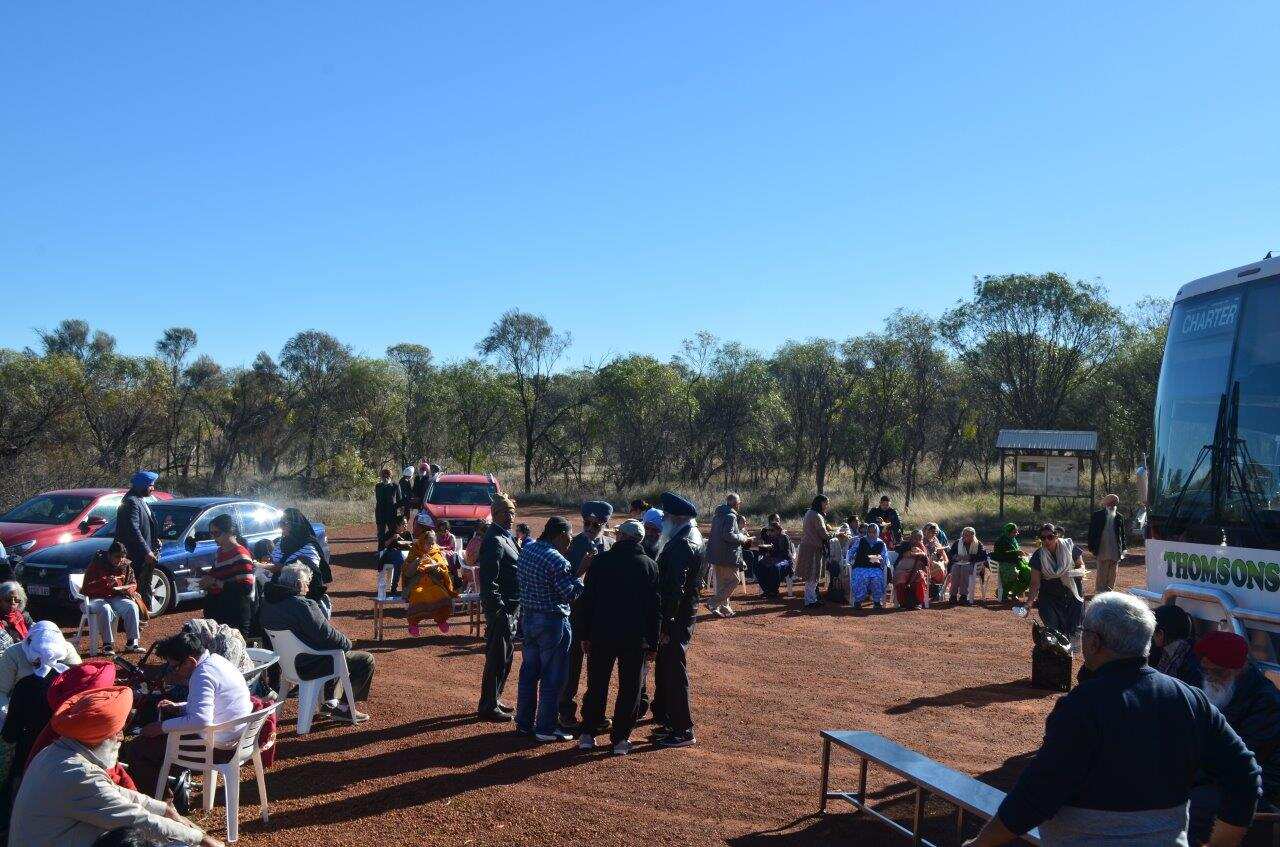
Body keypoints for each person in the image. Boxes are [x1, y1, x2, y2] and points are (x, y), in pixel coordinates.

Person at [965, 592, 1261, 847]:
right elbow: (1244, 773)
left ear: (1093, 642)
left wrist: (981, 843)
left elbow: (1037, 794)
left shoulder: (1082, 707)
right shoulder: (1190, 698)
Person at [12, 685, 221, 847]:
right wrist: (199, 838)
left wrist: (164, 809)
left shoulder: (59, 752)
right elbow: (137, 819)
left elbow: (115, 793)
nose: (122, 737)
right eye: (118, 731)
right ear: (97, 737)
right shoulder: (76, 773)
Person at [128, 631, 253, 797]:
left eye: (174, 667)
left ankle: (165, 804)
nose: (173, 671)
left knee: (137, 750)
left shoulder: (202, 675)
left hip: (219, 747)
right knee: (160, 731)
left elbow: (201, 721)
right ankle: (167, 787)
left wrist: (160, 728)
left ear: (190, 661)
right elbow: (215, 704)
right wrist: (180, 707)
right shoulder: (217, 661)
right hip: (236, 738)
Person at [577, 520, 661, 755]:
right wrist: (653, 642)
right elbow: (655, 608)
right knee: (630, 688)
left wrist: (585, 633)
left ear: (622, 537)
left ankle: (588, 733)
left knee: (597, 684)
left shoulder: (601, 561)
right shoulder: (650, 566)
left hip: (601, 633)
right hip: (635, 638)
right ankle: (621, 738)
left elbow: (588, 600)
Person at [1189, 631, 1280, 844]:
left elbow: (1239, 763)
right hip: (1216, 774)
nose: (1209, 678)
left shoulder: (1265, 702)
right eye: (1206, 671)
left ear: (1238, 670)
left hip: (1257, 782)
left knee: (1193, 806)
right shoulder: (1212, 688)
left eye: (1216, 673)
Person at [260, 563, 373, 724]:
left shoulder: (268, 603)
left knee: (335, 652)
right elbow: (327, 635)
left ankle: (331, 703)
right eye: (307, 583)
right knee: (364, 660)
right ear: (299, 583)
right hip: (310, 664)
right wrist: (348, 643)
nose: (308, 588)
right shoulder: (303, 605)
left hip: (286, 665)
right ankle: (344, 708)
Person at [515, 516, 587, 742]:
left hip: (529, 619)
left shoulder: (528, 550)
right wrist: (581, 573)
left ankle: (524, 723)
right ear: (561, 534)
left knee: (528, 674)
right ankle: (545, 728)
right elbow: (571, 594)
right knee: (552, 677)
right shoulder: (557, 560)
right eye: (569, 536)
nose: (571, 541)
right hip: (552, 621)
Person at [651, 492, 704, 749]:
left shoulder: (683, 543)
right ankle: (673, 722)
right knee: (669, 668)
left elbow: (675, 589)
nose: (664, 521)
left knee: (674, 669)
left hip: (677, 617)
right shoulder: (687, 536)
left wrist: (665, 624)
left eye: (667, 517)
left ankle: (683, 729)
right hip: (683, 614)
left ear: (676, 517)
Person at [559, 501, 613, 732]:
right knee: (572, 666)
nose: (591, 527)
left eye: (596, 523)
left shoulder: (610, 545)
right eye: (587, 522)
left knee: (597, 668)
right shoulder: (573, 545)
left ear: (605, 523)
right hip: (576, 612)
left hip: (601, 615)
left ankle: (593, 713)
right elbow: (565, 579)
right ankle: (565, 711)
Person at [477, 493, 521, 722]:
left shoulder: (507, 537)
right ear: (495, 514)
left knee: (506, 656)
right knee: (496, 656)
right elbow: (488, 579)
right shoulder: (493, 539)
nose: (510, 517)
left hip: (513, 607)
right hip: (501, 610)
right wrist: (497, 610)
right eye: (506, 513)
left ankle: (496, 697)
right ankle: (488, 705)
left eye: (512, 512)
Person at [1027, 523, 1088, 650]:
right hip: (1049, 598)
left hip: (1072, 595)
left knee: (1074, 633)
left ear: (1056, 536)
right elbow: (1035, 583)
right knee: (1053, 632)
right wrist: (1029, 603)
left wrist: (1072, 573)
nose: (1046, 540)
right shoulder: (1038, 556)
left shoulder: (1070, 548)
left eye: (1049, 537)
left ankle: (1068, 657)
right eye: (1043, 538)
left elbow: (1081, 566)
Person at [82, 543, 145, 656]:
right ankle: (107, 644)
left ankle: (132, 642)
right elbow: (87, 588)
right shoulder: (97, 564)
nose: (119, 560)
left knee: (131, 606)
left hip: (116, 596)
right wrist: (106, 583)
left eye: (122, 557)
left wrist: (125, 588)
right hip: (97, 598)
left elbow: (133, 583)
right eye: (117, 556)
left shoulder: (126, 565)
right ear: (109, 555)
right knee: (105, 608)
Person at [199, 513, 254, 636]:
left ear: (229, 532)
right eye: (212, 534)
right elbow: (217, 574)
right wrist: (201, 575)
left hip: (234, 615)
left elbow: (245, 588)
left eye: (216, 533)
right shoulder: (220, 552)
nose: (214, 538)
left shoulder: (240, 554)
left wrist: (214, 582)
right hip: (218, 611)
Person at [114, 471, 160, 611]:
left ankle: (142, 618)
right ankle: (137, 621)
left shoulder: (139, 499)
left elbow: (144, 526)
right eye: (151, 485)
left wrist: (154, 540)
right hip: (135, 556)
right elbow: (133, 529)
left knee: (143, 588)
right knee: (135, 589)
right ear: (142, 485)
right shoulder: (131, 502)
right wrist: (146, 550)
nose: (153, 488)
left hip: (141, 556)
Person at [276, 508, 333, 614]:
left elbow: (305, 572)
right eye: (280, 523)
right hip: (280, 593)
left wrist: (272, 567)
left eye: (284, 523)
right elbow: (274, 562)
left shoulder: (309, 546)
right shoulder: (280, 542)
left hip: (304, 599)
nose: (281, 527)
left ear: (295, 525)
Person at [404, 528, 457, 636]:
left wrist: (434, 566)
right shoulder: (414, 551)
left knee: (441, 594)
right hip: (417, 583)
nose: (431, 546)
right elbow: (407, 573)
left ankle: (441, 620)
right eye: (428, 543)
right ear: (422, 542)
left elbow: (444, 570)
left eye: (432, 544)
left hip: (434, 583)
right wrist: (417, 562)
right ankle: (413, 624)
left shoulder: (436, 552)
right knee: (418, 593)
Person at [706, 493, 751, 618]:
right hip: (727, 555)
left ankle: (725, 608)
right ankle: (712, 602)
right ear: (737, 504)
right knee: (734, 580)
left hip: (715, 555)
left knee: (721, 583)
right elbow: (728, 535)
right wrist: (742, 538)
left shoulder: (717, 516)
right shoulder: (731, 516)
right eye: (739, 503)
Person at [798, 496, 841, 608]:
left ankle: (812, 599)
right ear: (820, 503)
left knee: (811, 576)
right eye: (826, 503)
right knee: (812, 575)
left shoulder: (810, 513)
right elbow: (823, 535)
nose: (827, 506)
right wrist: (837, 534)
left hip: (809, 547)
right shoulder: (816, 516)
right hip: (812, 548)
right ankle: (810, 601)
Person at [1150, 603, 1204, 687]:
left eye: (1153, 631)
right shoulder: (1185, 650)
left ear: (1161, 633)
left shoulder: (1190, 661)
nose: (1152, 636)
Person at [1088, 494, 1129, 595]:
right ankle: (1100, 594)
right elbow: (1091, 532)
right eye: (1111, 503)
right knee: (1102, 573)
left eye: (1115, 503)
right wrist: (1091, 547)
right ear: (1107, 503)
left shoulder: (1119, 517)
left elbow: (1122, 535)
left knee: (1112, 574)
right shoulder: (1097, 515)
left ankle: (1109, 593)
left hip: (1115, 550)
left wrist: (1123, 548)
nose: (1113, 505)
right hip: (1102, 549)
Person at [848, 522, 890, 609]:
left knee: (877, 577)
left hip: (875, 567)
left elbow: (885, 558)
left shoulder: (881, 543)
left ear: (877, 532)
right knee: (861, 577)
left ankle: (877, 601)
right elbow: (851, 552)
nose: (872, 534)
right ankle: (858, 601)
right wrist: (849, 561)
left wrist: (879, 559)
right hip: (860, 566)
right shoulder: (861, 541)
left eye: (874, 532)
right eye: (870, 532)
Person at [754, 514, 794, 599]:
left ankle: (773, 591)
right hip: (772, 559)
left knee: (775, 567)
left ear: (777, 530)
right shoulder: (768, 535)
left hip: (784, 560)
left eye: (772, 530)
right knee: (758, 566)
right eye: (770, 530)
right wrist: (767, 551)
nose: (770, 532)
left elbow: (785, 553)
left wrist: (773, 549)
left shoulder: (784, 537)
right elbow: (762, 549)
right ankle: (767, 590)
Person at [947, 527, 989, 606]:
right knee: (955, 569)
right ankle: (953, 595)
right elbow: (950, 554)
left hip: (973, 566)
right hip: (958, 564)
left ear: (973, 536)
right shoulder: (957, 543)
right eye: (964, 535)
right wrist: (956, 557)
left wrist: (970, 557)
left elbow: (983, 556)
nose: (966, 537)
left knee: (964, 568)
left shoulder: (978, 544)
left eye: (969, 535)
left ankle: (963, 596)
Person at [992, 522, 1031, 601]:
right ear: (1008, 532)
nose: (1016, 534)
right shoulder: (1000, 541)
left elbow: (1015, 551)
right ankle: (1003, 593)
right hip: (1004, 563)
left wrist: (1020, 553)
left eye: (1016, 532)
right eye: (1014, 532)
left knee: (1029, 574)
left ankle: (1015, 592)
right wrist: (1016, 552)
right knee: (1012, 573)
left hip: (1016, 562)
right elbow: (1000, 554)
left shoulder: (1013, 540)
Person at [377, 515, 412, 600]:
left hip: (404, 555)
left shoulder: (407, 534)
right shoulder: (391, 533)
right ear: (397, 525)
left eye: (406, 524)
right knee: (399, 559)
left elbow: (411, 544)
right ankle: (394, 588)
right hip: (391, 554)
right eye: (403, 524)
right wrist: (393, 538)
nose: (405, 526)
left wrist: (409, 545)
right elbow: (384, 545)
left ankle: (407, 588)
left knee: (404, 562)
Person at [893, 533, 930, 610]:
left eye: (920, 539)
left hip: (917, 570)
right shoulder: (905, 544)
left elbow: (926, 562)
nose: (917, 541)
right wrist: (912, 552)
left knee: (919, 576)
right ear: (911, 538)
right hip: (902, 569)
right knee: (900, 577)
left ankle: (918, 602)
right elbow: (900, 551)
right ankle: (902, 603)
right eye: (915, 538)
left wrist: (921, 553)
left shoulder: (922, 547)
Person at [374, 467, 404, 548]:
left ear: (390, 477)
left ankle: (392, 548)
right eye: (383, 476)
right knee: (381, 533)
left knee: (392, 532)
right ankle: (380, 550)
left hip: (391, 514)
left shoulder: (395, 486)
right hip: (380, 513)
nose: (385, 478)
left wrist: (401, 512)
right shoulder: (378, 486)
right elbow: (379, 499)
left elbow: (399, 500)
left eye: (387, 476)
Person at [0, 580, 33, 651]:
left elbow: (36, 633)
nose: (13, 602)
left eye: (16, 599)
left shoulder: (23, 617)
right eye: (8, 599)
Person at [921, 523, 949, 605]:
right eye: (931, 531)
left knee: (941, 567)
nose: (933, 533)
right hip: (925, 564)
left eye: (935, 532)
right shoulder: (921, 541)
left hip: (937, 563)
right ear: (925, 531)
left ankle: (937, 590)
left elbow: (944, 556)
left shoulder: (935, 540)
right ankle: (934, 590)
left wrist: (944, 561)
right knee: (938, 568)